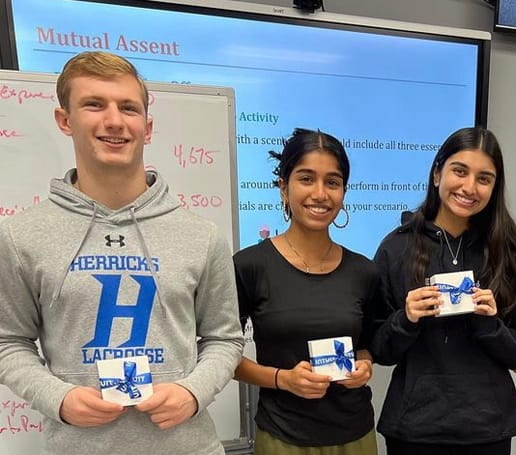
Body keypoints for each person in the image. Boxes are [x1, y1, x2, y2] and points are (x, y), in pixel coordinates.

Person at [0, 51, 244, 454]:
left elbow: (224, 338)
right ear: (65, 120)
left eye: (128, 108)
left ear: (147, 128)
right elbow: (8, 341)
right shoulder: (19, 235)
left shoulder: (202, 234)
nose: (114, 121)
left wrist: (193, 392)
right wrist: (57, 398)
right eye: (94, 104)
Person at [371, 126, 516, 455]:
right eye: (459, 171)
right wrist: (406, 319)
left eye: (484, 178)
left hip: (486, 428)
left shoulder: (508, 253)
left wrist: (490, 324)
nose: (469, 187)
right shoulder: (396, 247)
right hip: (415, 428)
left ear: (494, 187)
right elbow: (379, 350)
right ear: (437, 174)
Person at [233, 128, 381, 455]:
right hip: (284, 436)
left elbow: (368, 345)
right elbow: (220, 356)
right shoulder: (250, 266)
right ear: (284, 188)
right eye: (306, 179)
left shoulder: (364, 271)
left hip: (355, 435)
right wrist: (281, 379)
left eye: (332, 182)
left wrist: (365, 365)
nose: (320, 193)